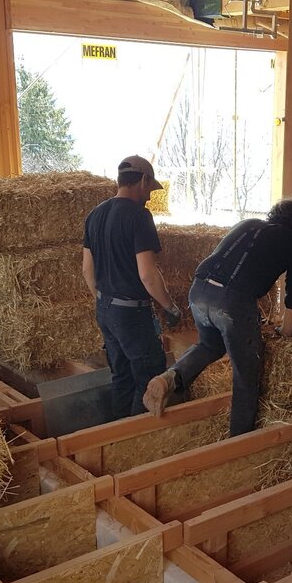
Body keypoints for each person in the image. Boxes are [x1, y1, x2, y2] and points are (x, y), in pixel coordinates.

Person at [143, 199, 292, 436]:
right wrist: (285, 334)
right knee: (246, 374)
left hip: (199, 289)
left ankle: (170, 377)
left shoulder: (248, 223)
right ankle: (237, 440)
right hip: (232, 301)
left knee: (209, 345)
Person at [82, 156, 182, 419]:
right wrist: (170, 307)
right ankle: (138, 435)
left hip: (105, 309)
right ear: (143, 180)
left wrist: (106, 303)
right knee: (149, 377)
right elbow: (148, 275)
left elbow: (87, 270)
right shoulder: (139, 216)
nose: (149, 197)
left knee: (121, 376)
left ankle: (117, 431)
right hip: (131, 314)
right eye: (150, 189)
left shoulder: (95, 215)